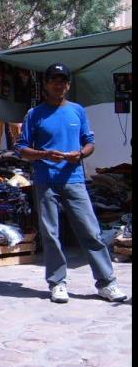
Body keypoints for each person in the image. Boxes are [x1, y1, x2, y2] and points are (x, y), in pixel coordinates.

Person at [15, 62, 126, 304]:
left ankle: (106, 283)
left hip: (74, 180)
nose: (59, 84)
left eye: (63, 80)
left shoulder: (78, 111)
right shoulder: (35, 114)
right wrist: (44, 155)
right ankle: (57, 283)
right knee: (52, 234)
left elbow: (89, 142)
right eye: (54, 80)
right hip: (46, 181)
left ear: (68, 84)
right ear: (46, 84)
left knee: (90, 231)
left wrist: (81, 154)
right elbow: (21, 148)